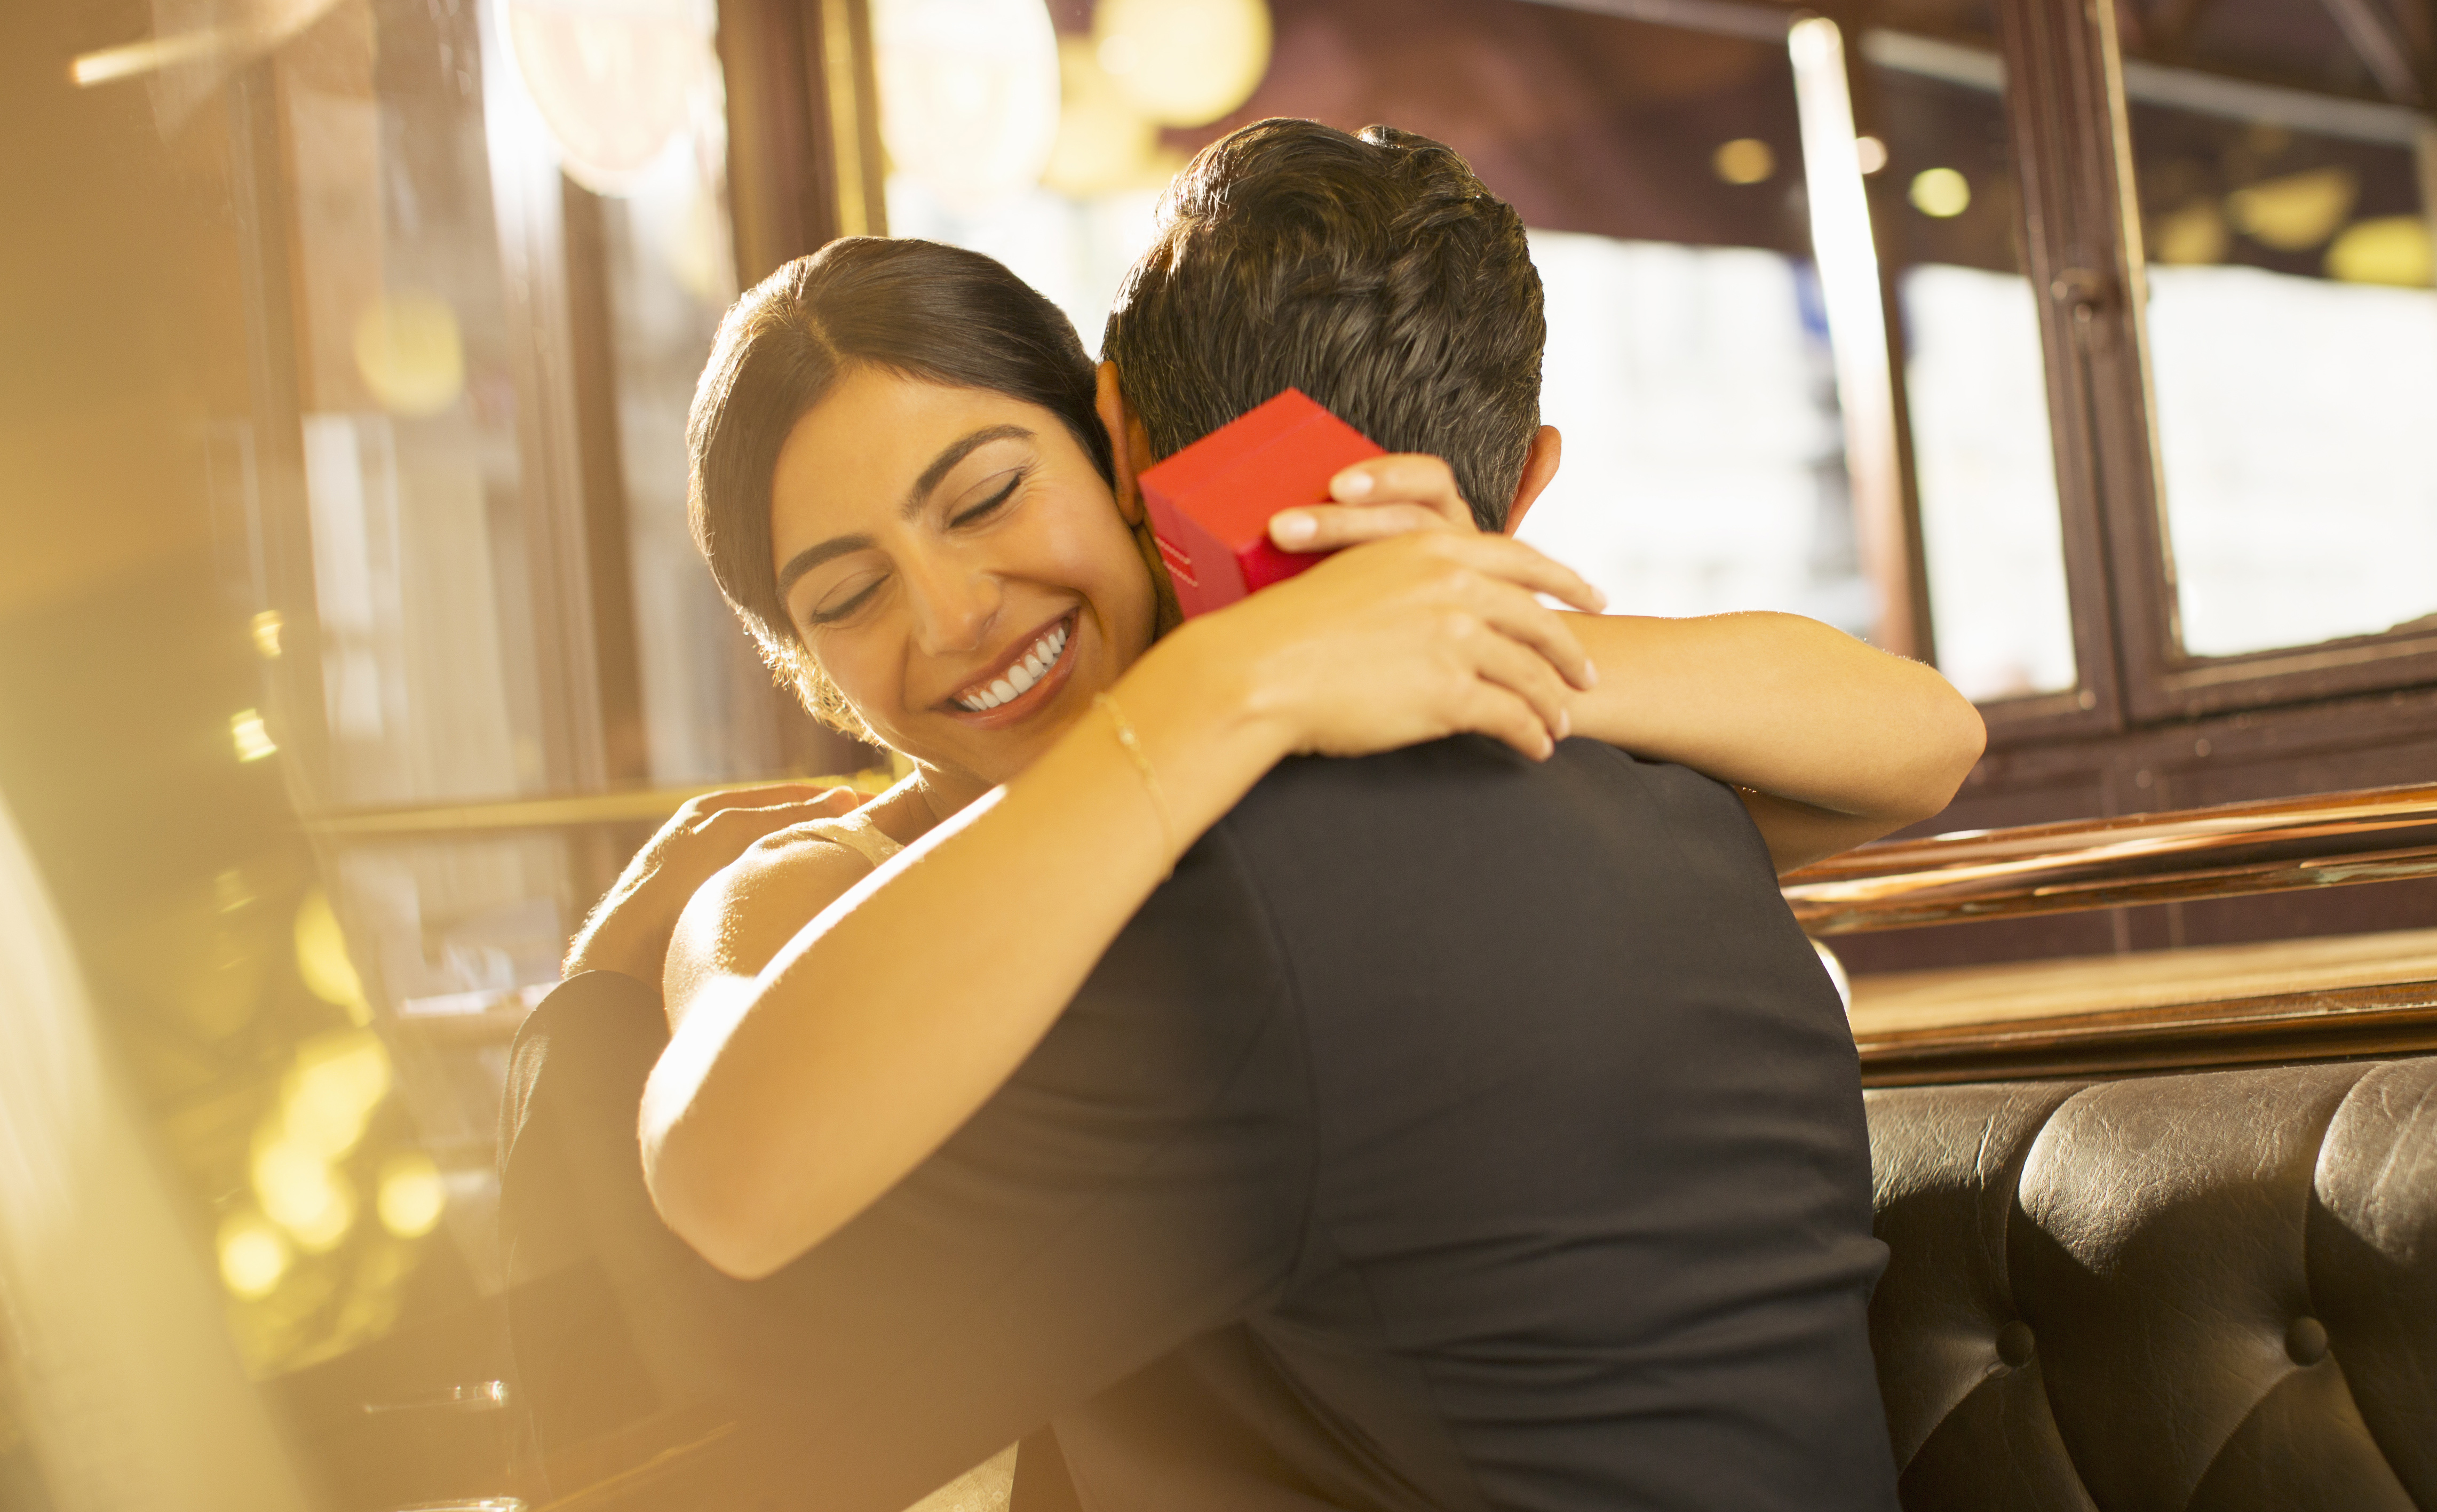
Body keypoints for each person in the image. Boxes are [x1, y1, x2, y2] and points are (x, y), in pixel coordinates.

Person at [507, 121, 1981, 1508]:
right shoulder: (1607, 785)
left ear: (1111, 439)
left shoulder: (1259, 881)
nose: (953, 613)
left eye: (987, 497)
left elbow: (730, 1331)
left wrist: (728, 910)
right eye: (844, 594)